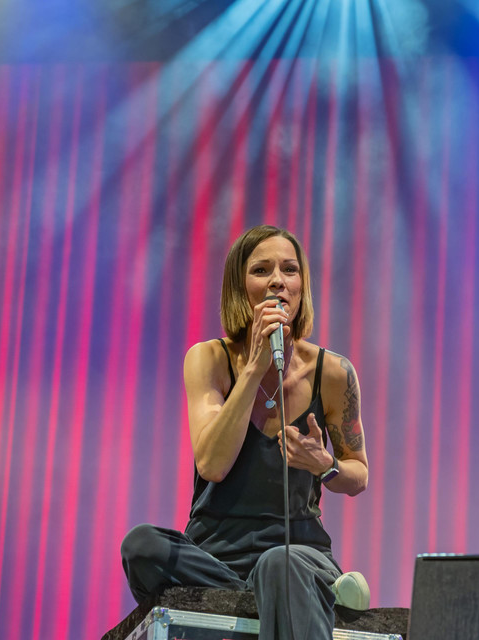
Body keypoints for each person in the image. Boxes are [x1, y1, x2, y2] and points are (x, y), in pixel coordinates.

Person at [121, 225, 371, 640]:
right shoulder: (209, 359)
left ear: (302, 285)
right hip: (213, 557)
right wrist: (255, 368)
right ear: (240, 287)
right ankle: (285, 600)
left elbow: (358, 475)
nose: (277, 281)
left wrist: (325, 465)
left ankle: (286, 591)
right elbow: (213, 465)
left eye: (289, 269)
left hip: (298, 552)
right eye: (261, 270)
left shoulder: (333, 372)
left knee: (279, 564)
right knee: (141, 546)